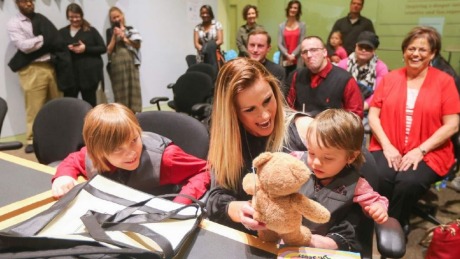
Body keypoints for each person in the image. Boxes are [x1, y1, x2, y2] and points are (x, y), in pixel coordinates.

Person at [206, 58, 384, 252]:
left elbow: (348, 203)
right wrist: (239, 210)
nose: (265, 116)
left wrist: (324, 241)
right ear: (233, 114)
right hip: (252, 243)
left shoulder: (305, 131)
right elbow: (216, 198)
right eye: (250, 110)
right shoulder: (228, 141)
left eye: (268, 100)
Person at [368, 26, 460, 230]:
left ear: (433, 54)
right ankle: (388, 217)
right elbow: (373, 115)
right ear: (404, 51)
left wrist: (420, 150)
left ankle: (395, 226)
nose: (415, 54)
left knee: (407, 182)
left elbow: (452, 125)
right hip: (389, 144)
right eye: (411, 48)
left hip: (429, 150)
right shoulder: (390, 78)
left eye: (422, 50)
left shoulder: (445, 82)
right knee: (381, 175)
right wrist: (387, 145)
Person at [51, 103, 210, 204]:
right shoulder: (94, 155)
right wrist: (64, 176)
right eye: (117, 149)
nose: (131, 154)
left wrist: (181, 202)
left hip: (156, 212)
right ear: (98, 151)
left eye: (134, 140)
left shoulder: (166, 159)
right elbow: (74, 159)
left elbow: (205, 170)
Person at [295, 109, 388, 250]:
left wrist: (378, 208)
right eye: (312, 152)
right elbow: (274, 168)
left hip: (327, 235)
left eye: (327, 158)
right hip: (293, 226)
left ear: (351, 157)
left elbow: (377, 200)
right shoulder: (295, 161)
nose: (316, 163)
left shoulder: (356, 184)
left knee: (343, 234)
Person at [7, 0, 63, 154]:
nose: (29, 4)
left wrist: (42, 40)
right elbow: (24, 46)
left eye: (31, 1)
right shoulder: (14, 23)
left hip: (50, 67)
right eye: (25, 1)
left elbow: (56, 39)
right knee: (34, 107)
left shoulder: (40, 18)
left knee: (57, 104)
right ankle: (32, 140)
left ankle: (59, 137)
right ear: (17, 3)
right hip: (31, 69)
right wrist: (45, 38)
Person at [286, 36, 364, 118]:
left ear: (325, 52)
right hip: (301, 128)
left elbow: (356, 117)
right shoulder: (296, 76)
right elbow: (288, 109)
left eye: (314, 50)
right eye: (305, 52)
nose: (309, 55)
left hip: (333, 129)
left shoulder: (345, 80)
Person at [59, 3, 106, 107]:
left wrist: (85, 49)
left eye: (77, 17)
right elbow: (57, 50)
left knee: (90, 105)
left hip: (88, 77)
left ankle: (92, 124)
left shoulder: (91, 30)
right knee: (69, 106)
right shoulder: (62, 32)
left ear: (81, 15)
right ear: (67, 17)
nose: (74, 19)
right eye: (71, 17)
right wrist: (67, 49)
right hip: (70, 78)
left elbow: (103, 48)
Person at [337, 31, 388, 112]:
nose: (363, 50)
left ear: (374, 50)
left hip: (369, 108)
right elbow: (337, 89)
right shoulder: (343, 64)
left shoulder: (381, 67)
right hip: (344, 107)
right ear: (356, 46)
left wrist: (362, 107)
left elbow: (379, 93)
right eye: (361, 47)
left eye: (368, 48)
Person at [106, 6, 142, 113]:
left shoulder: (131, 29)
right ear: (111, 20)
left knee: (134, 91)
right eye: (113, 18)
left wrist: (124, 37)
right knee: (120, 92)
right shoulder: (109, 31)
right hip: (117, 66)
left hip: (131, 64)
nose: (116, 19)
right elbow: (108, 50)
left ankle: (135, 116)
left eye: (118, 16)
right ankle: (122, 117)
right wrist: (114, 36)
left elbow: (137, 45)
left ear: (122, 16)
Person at [277, 0, 306, 78]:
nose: (293, 9)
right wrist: (287, 55)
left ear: (298, 10)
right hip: (284, 59)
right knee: (284, 81)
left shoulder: (302, 25)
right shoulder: (281, 26)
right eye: (291, 7)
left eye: (295, 8)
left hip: (297, 59)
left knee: (296, 80)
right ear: (288, 9)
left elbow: (302, 42)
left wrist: (293, 55)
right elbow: (279, 43)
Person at [194, 5, 223, 71]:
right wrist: (204, 49)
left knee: (215, 76)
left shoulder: (217, 25)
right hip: (201, 56)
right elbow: (196, 44)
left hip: (215, 56)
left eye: (207, 12)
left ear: (210, 13)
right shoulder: (197, 27)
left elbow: (220, 40)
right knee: (203, 77)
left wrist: (209, 47)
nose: (205, 15)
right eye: (202, 13)